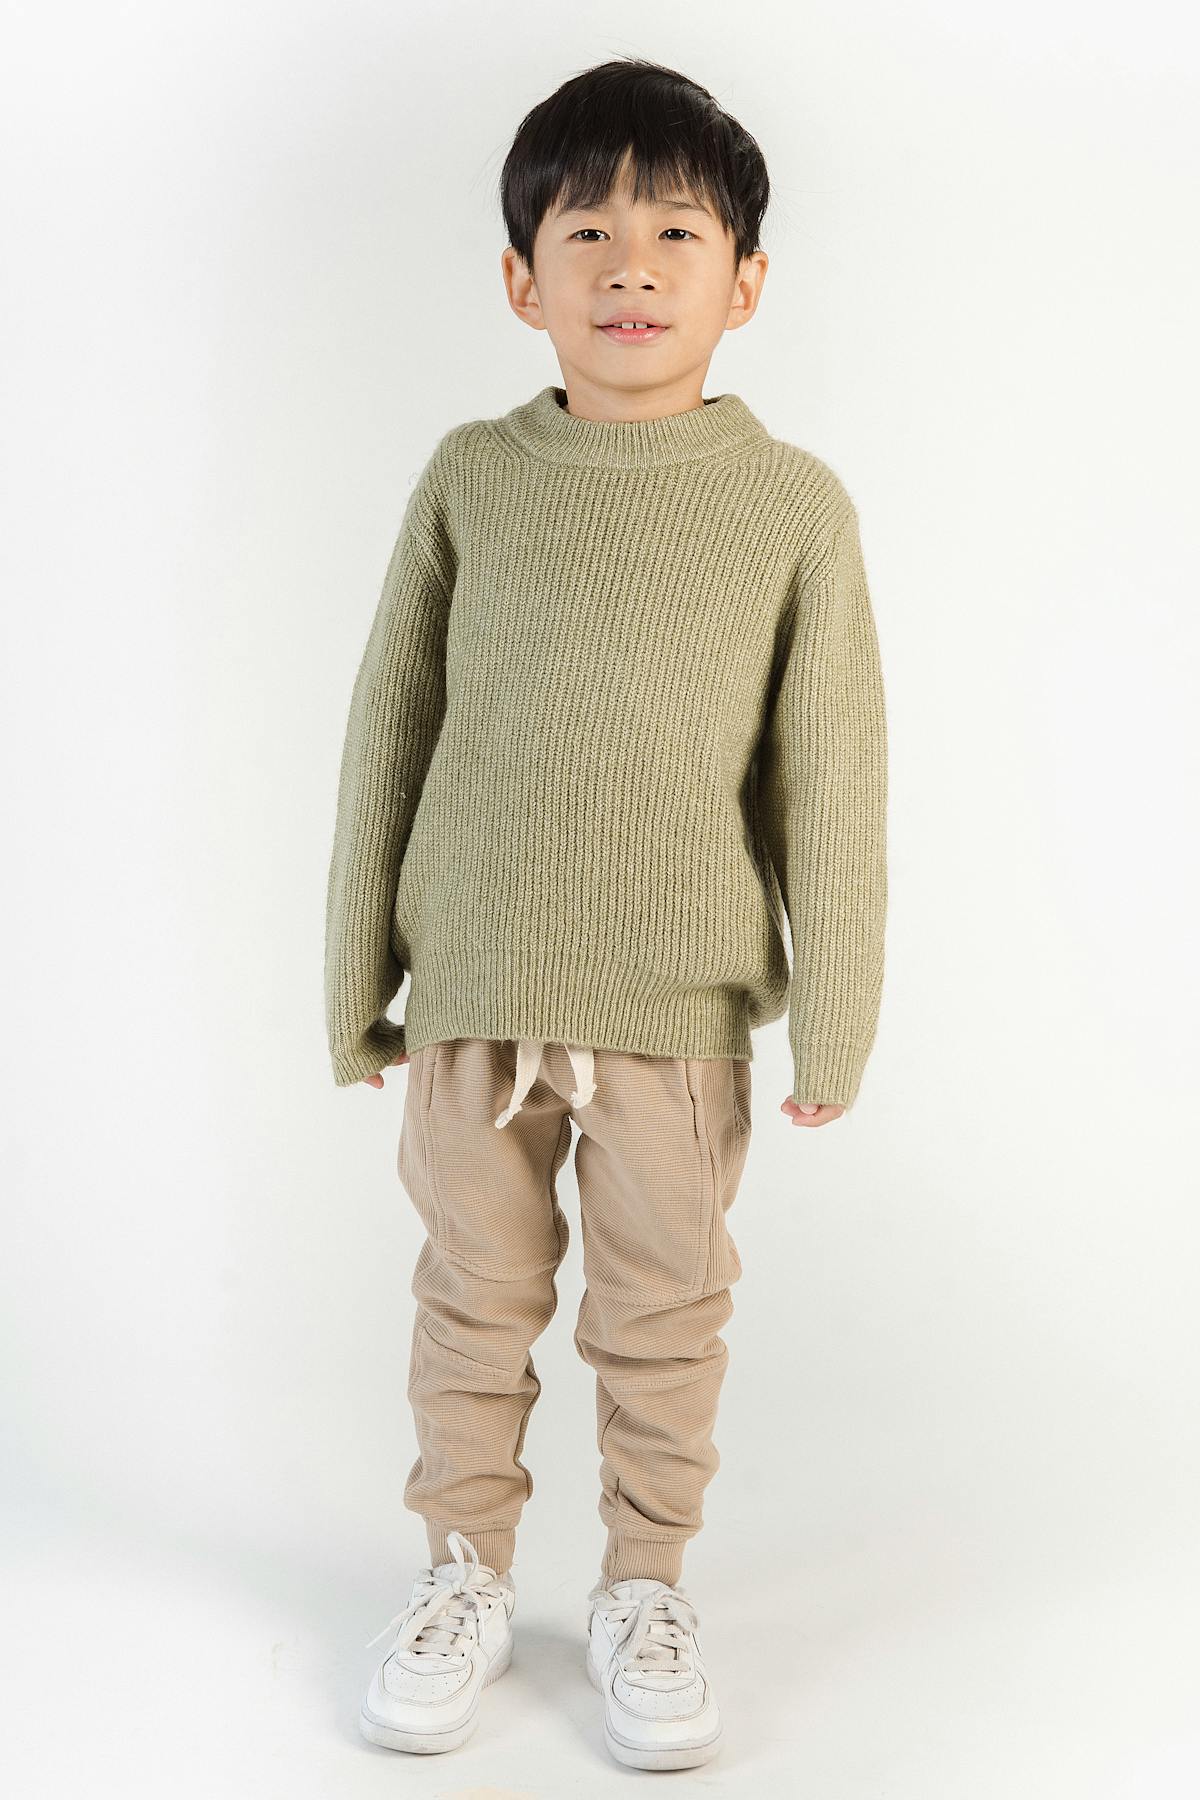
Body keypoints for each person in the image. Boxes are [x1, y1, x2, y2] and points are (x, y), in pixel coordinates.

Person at [324, 54, 888, 1772]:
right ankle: (465, 1570)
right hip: (477, 997)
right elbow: (387, 729)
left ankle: (644, 1583)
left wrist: (841, 1004)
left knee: (660, 1315)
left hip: (677, 1014)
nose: (629, 266)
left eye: (674, 229)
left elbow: (836, 771)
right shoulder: (469, 479)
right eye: (587, 231)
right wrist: (357, 972)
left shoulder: (792, 508)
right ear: (524, 280)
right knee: (471, 1303)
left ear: (747, 279)